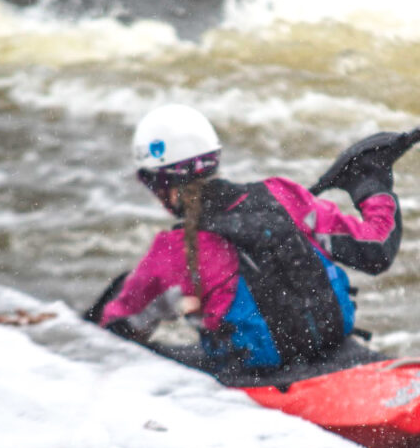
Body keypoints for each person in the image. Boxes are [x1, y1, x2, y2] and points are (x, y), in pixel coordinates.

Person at [92, 104, 402, 373]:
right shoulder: (284, 194)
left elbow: (115, 332)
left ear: (156, 184)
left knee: (140, 352)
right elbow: (376, 249)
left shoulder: (171, 252)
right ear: (214, 158)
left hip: (256, 379)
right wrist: (372, 185)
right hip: (336, 350)